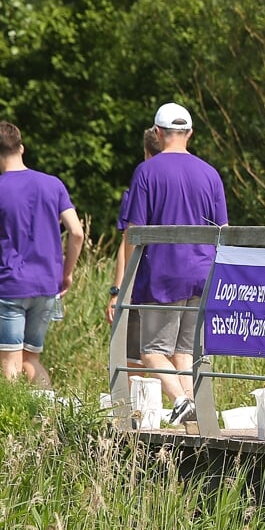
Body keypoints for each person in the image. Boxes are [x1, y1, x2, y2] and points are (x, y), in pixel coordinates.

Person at [120, 103, 229, 424]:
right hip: (203, 272)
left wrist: (126, 280)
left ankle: (181, 399)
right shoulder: (210, 173)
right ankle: (194, 411)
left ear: (157, 133)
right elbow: (223, 229)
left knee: (152, 350)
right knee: (184, 351)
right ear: (190, 133)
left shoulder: (147, 172)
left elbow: (134, 231)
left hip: (162, 274)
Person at [0, 122, 85, 388]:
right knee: (31, 360)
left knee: (10, 363)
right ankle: (47, 416)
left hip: (10, 286)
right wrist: (66, 273)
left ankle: (14, 425)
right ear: (21, 148)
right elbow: (77, 233)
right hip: (46, 285)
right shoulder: (53, 185)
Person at [106, 127, 164, 375]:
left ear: (146, 152)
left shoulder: (140, 187)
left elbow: (126, 242)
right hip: (182, 285)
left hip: (144, 283)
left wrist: (119, 290)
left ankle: (136, 411)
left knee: (134, 361)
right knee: (175, 355)